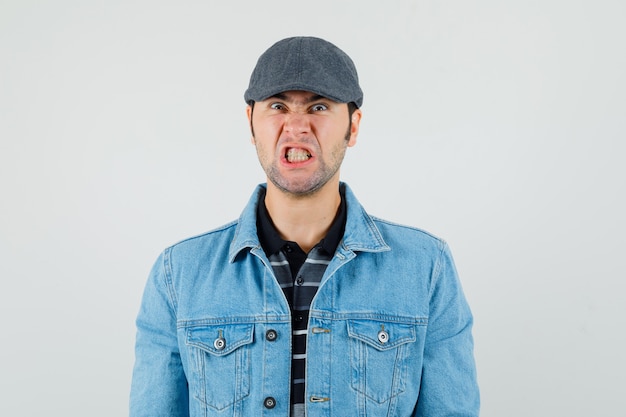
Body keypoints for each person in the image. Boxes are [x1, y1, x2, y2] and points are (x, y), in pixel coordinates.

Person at [130, 36, 480, 417]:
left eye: (319, 106)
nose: (296, 126)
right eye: (278, 106)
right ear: (251, 123)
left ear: (354, 126)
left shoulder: (427, 268)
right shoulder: (178, 274)